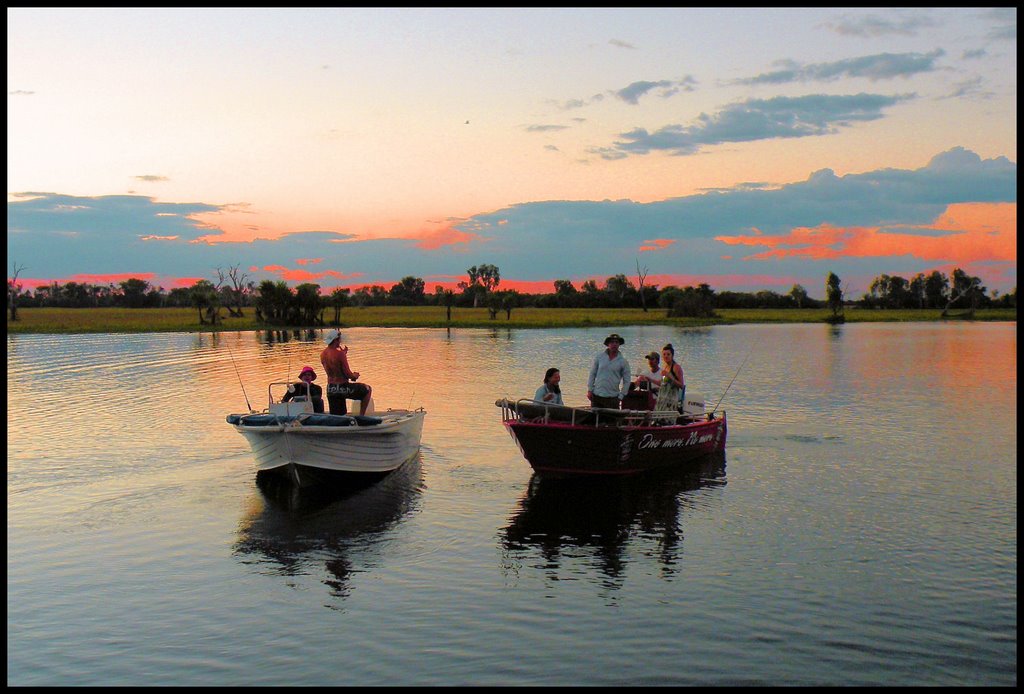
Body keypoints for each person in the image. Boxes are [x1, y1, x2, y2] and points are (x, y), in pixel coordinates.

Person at [320, 329, 373, 416]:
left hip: (331, 388)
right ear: (336, 340)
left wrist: (343, 353)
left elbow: (334, 367)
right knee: (367, 389)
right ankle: (361, 417)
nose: (340, 342)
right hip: (342, 387)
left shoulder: (323, 354)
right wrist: (355, 375)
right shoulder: (340, 354)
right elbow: (348, 374)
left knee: (338, 417)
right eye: (339, 340)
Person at [587, 333, 631, 409]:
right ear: (608, 344)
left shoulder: (623, 362)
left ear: (619, 344)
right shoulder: (599, 357)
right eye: (612, 342)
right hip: (597, 396)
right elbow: (592, 374)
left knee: (612, 420)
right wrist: (590, 390)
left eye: (616, 342)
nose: (614, 344)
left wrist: (621, 396)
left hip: (613, 398)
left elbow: (627, 381)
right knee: (595, 420)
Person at [654, 343, 685, 411]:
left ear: (672, 355)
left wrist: (670, 376)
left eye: (668, 354)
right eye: (664, 354)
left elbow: (681, 385)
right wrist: (649, 379)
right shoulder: (665, 367)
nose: (666, 356)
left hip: (671, 400)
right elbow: (663, 382)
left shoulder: (676, 367)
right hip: (663, 399)